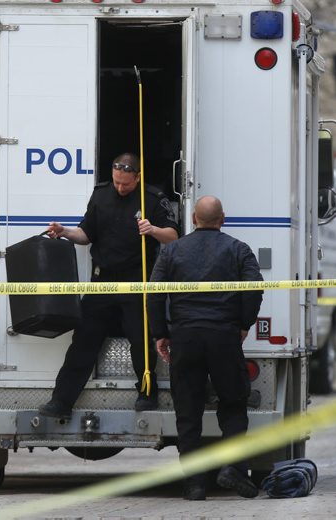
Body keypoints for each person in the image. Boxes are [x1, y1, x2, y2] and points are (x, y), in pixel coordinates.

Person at [38, 152, 179, 419]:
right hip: (102, 282)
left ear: (137, 177)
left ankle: (146, 395)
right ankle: (61, 401)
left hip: (136, 282)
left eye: (125, 183)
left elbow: (173, 237)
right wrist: (64, 231)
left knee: (141, 341)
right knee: (83, 342)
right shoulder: (100, 194)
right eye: (116, 182)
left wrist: (153, 230)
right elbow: (85, 234)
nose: (120, 187)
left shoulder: (152, 199)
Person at [147, 195, 263, 501]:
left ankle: (195, 484)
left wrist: (161, 332)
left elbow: (154, 294)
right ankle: (233, 469)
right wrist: (243, 324)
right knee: (234, 405)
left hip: (185, 338)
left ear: (194, 220)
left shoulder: (172, 251)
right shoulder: (239, 249)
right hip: (224, 336)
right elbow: (254, 288)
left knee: (188, 413)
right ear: (222, 219)